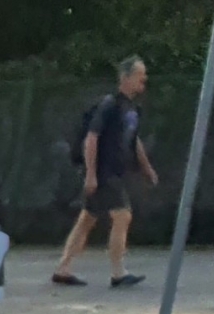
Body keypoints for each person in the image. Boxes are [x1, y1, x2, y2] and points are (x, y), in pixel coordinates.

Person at [53, 58, 158, 288]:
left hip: (115, 172)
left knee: (87, 219)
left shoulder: (132, 109)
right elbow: (91, 138)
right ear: (125, 78)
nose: (144, 79)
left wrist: (146, 167)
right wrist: (91, 175)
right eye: (140, 75)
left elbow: (134, 140)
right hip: (104, 172)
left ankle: (63, 269)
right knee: (123, 216)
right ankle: (118, 274)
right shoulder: (109, 105)